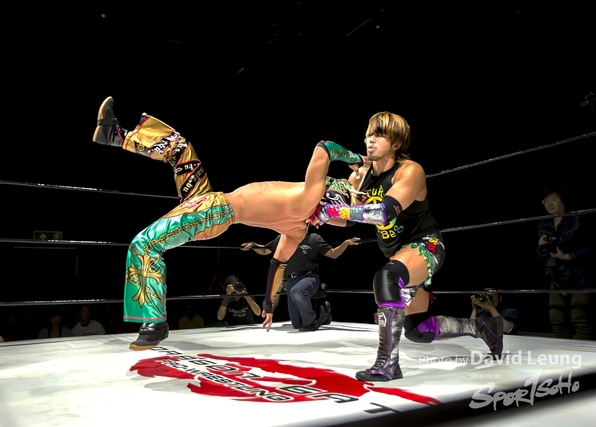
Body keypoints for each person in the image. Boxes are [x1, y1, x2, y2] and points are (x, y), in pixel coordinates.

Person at [92, 96, 364, 350]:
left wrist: (356, 159)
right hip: (209, 201)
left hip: (215, 210)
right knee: (181, 150)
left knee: (145, 243)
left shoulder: (309, 198)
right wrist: (268, 305)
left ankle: (155, 323)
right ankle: (116, 136)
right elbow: (276, 265)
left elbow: (325, 147)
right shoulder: (297, 230)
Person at [311, 111, 504, 382]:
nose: (371, 140)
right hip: (398, 255)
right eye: (369, 134)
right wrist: (319, 213)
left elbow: (383, 213)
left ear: (396, 143)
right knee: (418, 330)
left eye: (379, 135)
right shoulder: (359, 178)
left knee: (386, 278)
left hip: (427, 246)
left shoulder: (410, 171)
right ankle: (483, 327)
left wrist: (336, 212)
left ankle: (387, 364)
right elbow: (348, 220)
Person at [241, 229, 360, 331]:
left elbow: (333, 253)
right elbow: (265, 250)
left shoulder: (314, 238)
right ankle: (322, 314)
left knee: (297, 291)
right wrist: (254, 245)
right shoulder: (283, 238)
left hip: (308, 277)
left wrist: (345, 243)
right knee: (296, 324)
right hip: (290, 280)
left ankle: (311, 322)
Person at [537, 185, 593, 340]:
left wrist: (567, 256)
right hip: (556, 275)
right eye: (545, 200)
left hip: (579, 274)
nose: (549, 204)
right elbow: (542, 255)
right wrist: (541, 247)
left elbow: (590, 247)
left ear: (563, 200)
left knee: (579, 316)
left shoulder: (577, 220)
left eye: (554, 199)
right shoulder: (543, 224)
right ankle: (564, 351)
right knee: (556, 317)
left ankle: (584, 353)